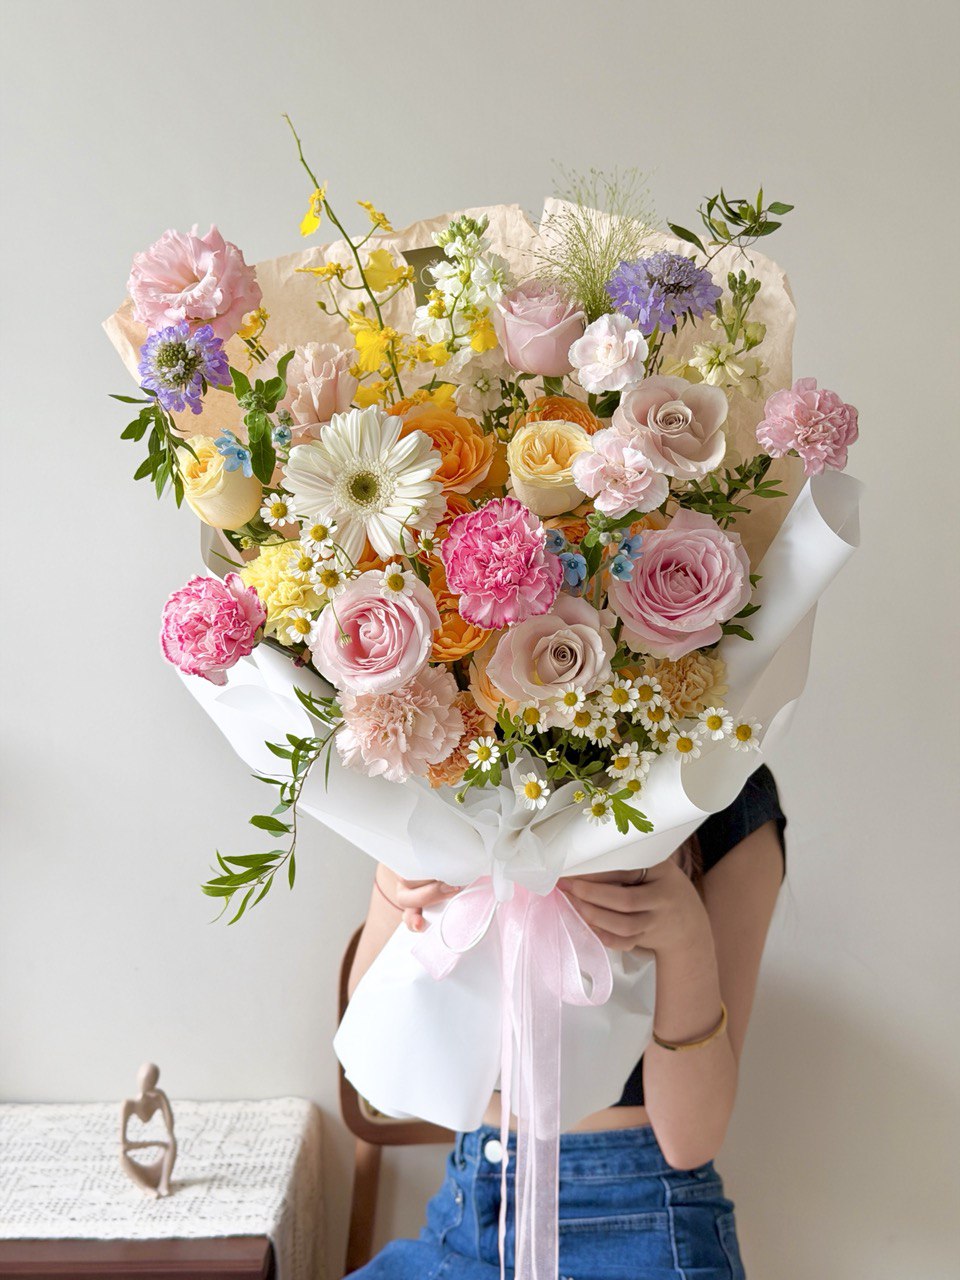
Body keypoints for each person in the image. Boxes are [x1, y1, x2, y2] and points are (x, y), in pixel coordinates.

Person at [346, 763, 787, 1279]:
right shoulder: (440, 763)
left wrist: (684, 940)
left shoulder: (720, 782)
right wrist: (392, 879)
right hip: (467, 1209)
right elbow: (376, 1045)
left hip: (641, 1216)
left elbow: (690, 1140)